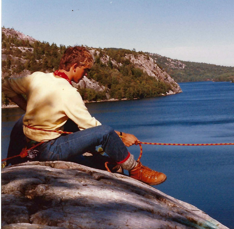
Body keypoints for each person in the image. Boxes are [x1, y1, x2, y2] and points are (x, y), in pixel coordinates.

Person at [3, 46, 166, 186]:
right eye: (85, 70)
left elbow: (6, 86)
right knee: (106, 133)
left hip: (30, 144)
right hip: (48, 150)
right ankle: (135, 169)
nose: (86, 75)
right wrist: (123, 136)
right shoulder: (68, 92)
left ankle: (13, 161)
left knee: (24, 122)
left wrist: (27, 108)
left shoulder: (38, 77)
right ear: (74, 66)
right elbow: (93, 127)